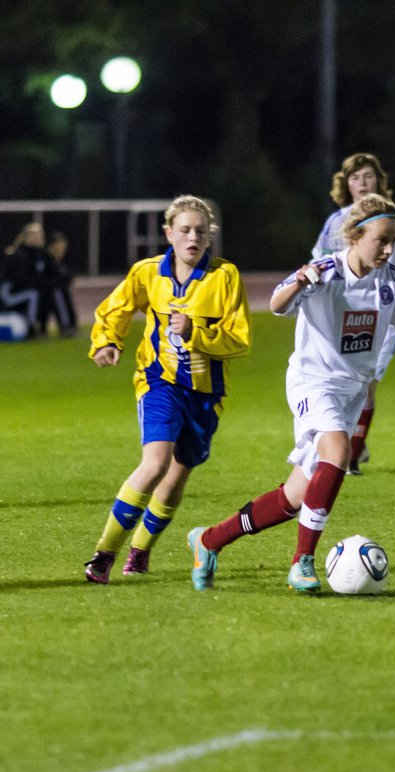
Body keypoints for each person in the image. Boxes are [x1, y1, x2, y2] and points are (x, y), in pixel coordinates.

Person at [187, 193, 395, 593]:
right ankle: (302, 564)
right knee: (338, 453)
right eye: (381, 240)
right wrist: (299, 280)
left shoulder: (392, 281)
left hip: (352, 392)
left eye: (393, 242)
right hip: (313, 383)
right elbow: (277, 304)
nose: (387, 249)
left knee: (294, 498)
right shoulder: (326, 271)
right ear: (355, 235)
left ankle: (209, 540)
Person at [83, 195, 251, 584]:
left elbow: (239, 340)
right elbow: (117, 308)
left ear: (210, 236)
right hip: (159, 382)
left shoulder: (224, 277)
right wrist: (107, 341)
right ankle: (103, 555)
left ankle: (140, 550)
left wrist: (197, 333)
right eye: (185, 230)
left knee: (176, 475)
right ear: (168, 234)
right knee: (155, 463)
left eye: (201, 231)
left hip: (205, 394)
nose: (193, 237)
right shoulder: (147, 273)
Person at [311, 152, 395, 474]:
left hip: (386, 315)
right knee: (343, 380)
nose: (362, 184)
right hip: (341, 317)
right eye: (355, 178)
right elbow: (317, 265)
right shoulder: (335, 223)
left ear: (379, 180)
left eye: (368, 176)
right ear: (346, 185)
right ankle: (343, 443)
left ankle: (350, 453)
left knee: (367, 381)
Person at [0, 222, 47, 337]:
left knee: (47, 292)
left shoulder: (40, 255)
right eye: (34, 235)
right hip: (7, 294)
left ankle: (44, 328)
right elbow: (18, 280)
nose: (37, 238)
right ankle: (31, 329)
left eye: (39, 235)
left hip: (19, 291)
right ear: (25, 237)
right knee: (33, 295)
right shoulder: (17, 255)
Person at [36, 230, 79, 338]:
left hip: (51, 291)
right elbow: (41, 279)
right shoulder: (44, 259)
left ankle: (71, 326)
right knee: (57, 293)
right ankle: (65, 327)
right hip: (42, 292)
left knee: (61, 293)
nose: (62, 250)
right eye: (59, 247)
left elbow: (69, 277)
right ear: (52, 246)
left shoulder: (61, 261)